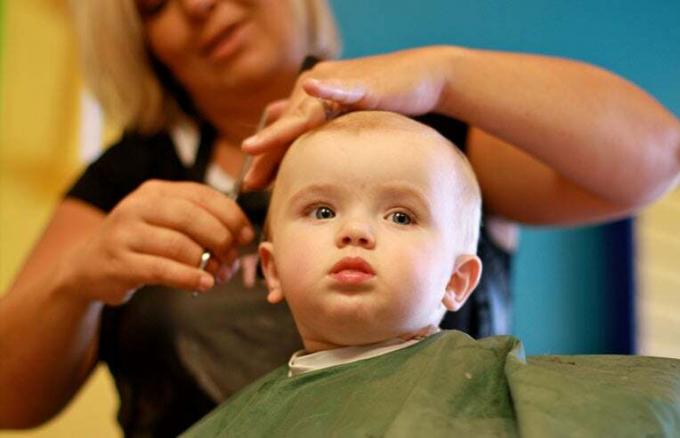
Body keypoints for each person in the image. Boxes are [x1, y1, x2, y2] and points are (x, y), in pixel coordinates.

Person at [1, 0, 679, 436]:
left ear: (460, 279)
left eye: (401, 215)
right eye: (156, 3)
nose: (199, 5)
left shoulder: (434, 132)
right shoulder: (129, 177)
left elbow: (656, 157)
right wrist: (77, 279)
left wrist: (442, 75)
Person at [183, 111, 680, 437]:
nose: (355, 231)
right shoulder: (233, 424)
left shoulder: (495, 385)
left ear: (457, 281)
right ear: (271, 270)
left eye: (400, 216)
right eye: (321, 211)